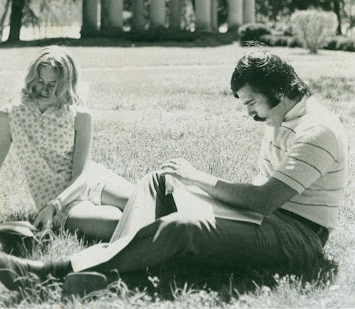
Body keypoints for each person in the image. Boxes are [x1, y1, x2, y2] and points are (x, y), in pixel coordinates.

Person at [0, 50, 348, 294]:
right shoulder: (281, 116)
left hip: (297, 234)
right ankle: (117, 274)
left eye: (252, 103)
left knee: (182, 228)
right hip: (263, 219)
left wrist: (197, 178)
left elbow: (263, 201)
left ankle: (50, 273)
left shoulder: (317, 131)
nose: (250, 115)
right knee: (158, 182)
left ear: (280, 92)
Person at [0, 46, 134, 241]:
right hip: (54, 196)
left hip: (88, 182)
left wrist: (56, 204)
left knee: (145, 201)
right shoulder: (10, 115)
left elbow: (82, 173)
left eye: (52, 84)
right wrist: (52, 207)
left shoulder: (80, 115)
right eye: (40, 81)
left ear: (66, 84)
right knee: (116, 223)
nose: (44, 89)